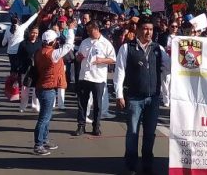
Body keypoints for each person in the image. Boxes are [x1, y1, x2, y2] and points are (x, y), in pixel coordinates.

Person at [114, 17, 171, 175]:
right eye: (145, 29)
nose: (148, 32)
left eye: (151, 29)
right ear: (138, 30)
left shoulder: (158, 49)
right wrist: (119, 94)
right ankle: (131, 165)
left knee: (150, 134)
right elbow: (119, 72)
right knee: (132, 132)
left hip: (153, 98)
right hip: (134, 98)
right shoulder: (127, 48)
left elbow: (171, 66)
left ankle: (147, 164)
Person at [32, 28, 74, 155]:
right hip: (47, 89)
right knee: (44, 118)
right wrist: (70, 30)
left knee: (46, 116)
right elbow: (68, 45)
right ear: (52, 42)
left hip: (41, 87)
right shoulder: (53, 54)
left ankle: (44, 140)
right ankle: (38, 144)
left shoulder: (39, 52)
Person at [73, 21, 116, 136]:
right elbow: (77, 56)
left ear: (97, 29)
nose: (88, 32)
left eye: (90, 30)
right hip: (84, 76)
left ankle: (96, 126)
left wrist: (101, 60)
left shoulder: (105, 43)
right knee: (82, 103)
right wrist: (78, 57)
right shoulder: (85, 42)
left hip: (98, 78)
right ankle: (81, 126)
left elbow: (113, 59)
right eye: (87, 30)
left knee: (97, 104)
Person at [16, 25, 42, 112]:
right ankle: (23, 106)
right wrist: (17, 69)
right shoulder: (23, 43)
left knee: (36, 89)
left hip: (37, 69)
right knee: (24, 89)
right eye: (33, 32)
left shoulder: (40, 43)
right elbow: (18, 57)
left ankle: (35, 106)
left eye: (36, 33)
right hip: (25, 69)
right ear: (29, 32)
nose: (34, 34)